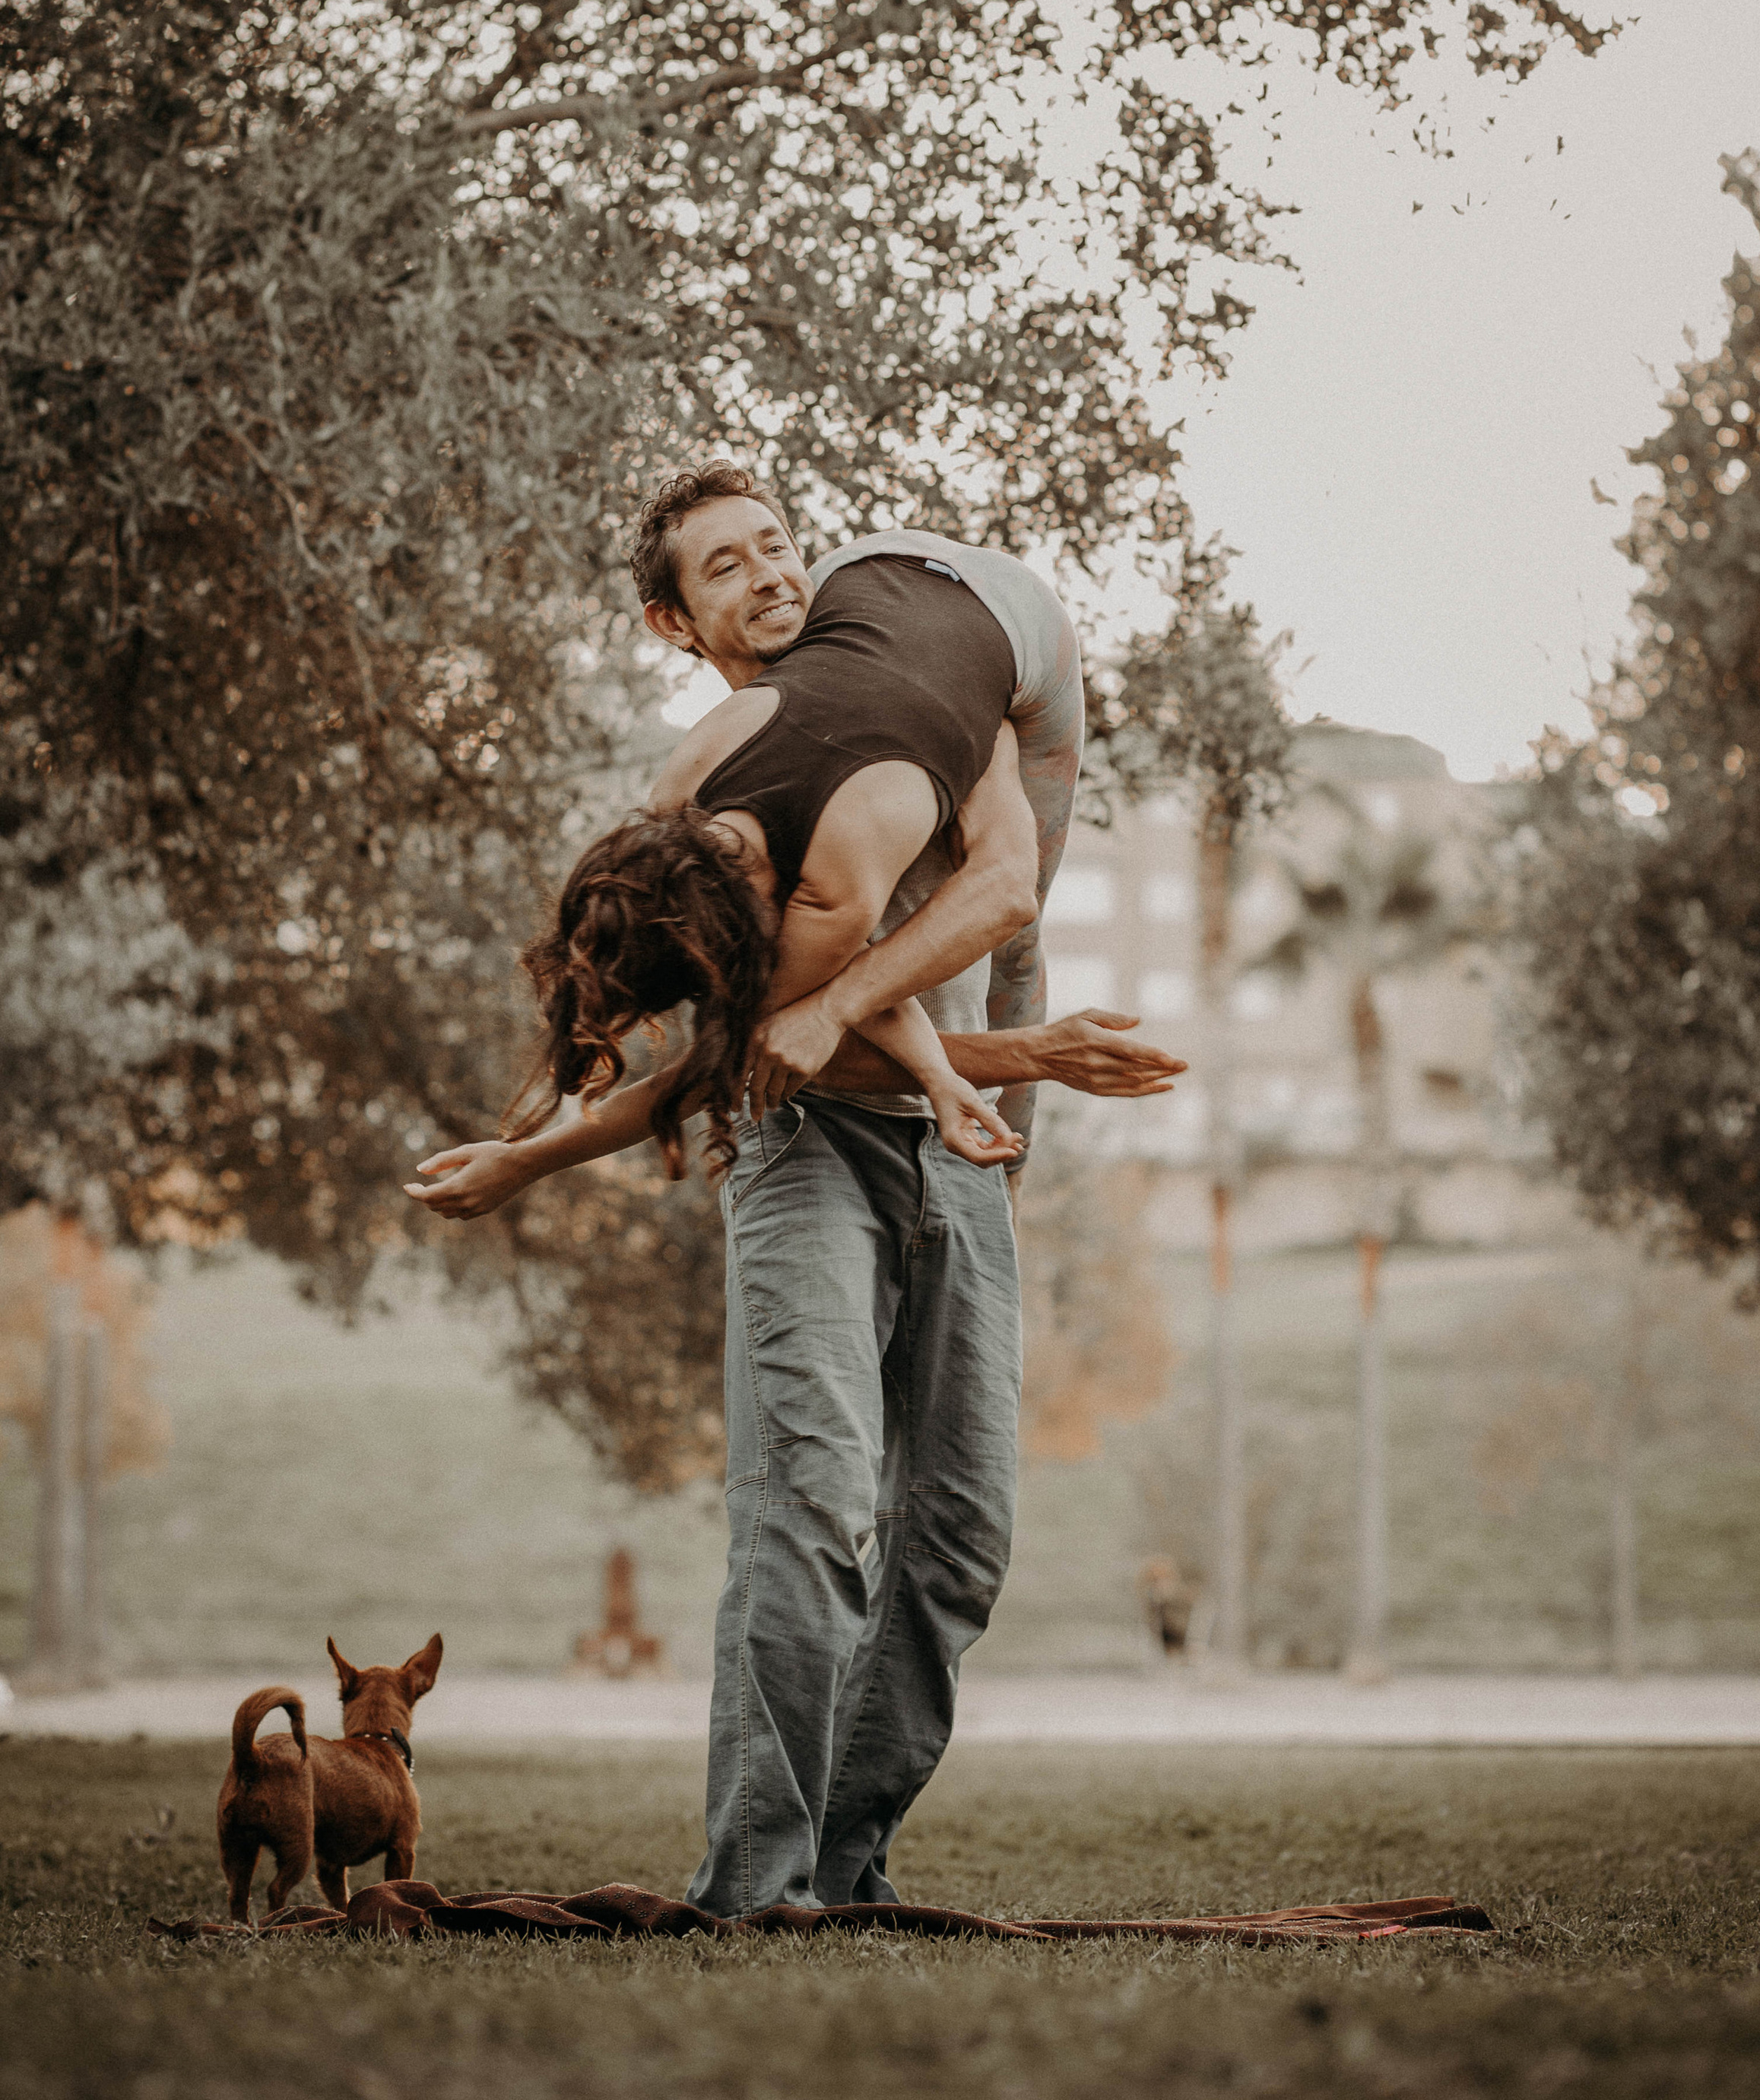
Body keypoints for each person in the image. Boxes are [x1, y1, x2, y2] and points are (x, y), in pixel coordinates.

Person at [409, 464, 1182, 1918]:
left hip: (951, 1150)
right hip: (803, 1144)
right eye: (725, 568)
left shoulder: (916, 674)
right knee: (814, 1501)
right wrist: (528, 1149)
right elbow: (734, 1052)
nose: (770, 577)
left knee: (958, 1542)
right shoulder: (692, 810)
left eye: (778, 547)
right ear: (673, 622)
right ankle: (754, 1884)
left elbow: (970, 910)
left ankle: (842, 1864)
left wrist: (952, 1062)